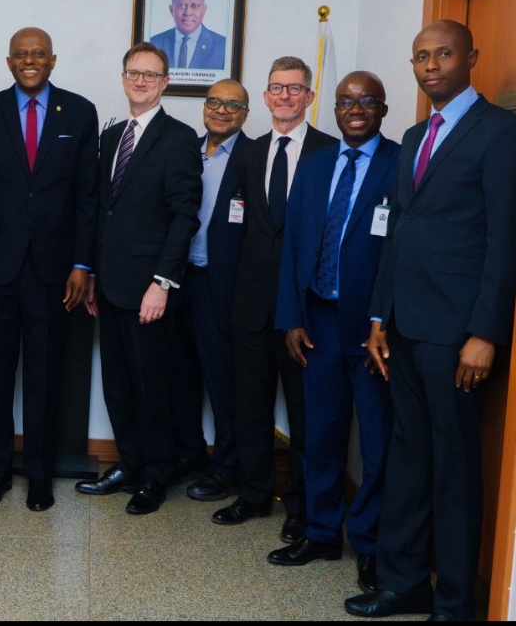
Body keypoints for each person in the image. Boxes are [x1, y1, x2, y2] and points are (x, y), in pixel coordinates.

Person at [346, 21, 516, 621]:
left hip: (456, 334)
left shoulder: (501, 132)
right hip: (403, 327)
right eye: (421, 57)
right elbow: (398, 229)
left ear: (471, 57)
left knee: (454, 468)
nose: (431, 65)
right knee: (408, 458)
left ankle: (455, 603)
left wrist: (485, 333)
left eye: (444, 54)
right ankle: (404, 583)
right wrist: (378, 316)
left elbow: (504, 241)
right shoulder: (416, 135)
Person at [0, 26, 98, 512]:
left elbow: (87, 197)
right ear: (9, 62)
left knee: (44, 375)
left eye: (39, 53)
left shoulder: (79, 112)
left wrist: (82, 263)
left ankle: (40, 475)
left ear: (53, 60)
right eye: (21, 54)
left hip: (55, 272)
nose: (30, 60)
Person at [270, 71, 398, 594]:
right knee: (320, 438)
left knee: (377, 444)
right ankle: (322, 533)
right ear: (335, 108)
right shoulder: (316, 163)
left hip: (373, 330)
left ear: (383, 108)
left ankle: (368, 544)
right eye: (346, 101)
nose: (355, 108)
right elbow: (293, 244)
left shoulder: (401, 164)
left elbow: (401, 251)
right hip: (318, 321)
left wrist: (384, 319)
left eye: (366, 101)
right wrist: (291, 317)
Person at [212, 56, 337, 542]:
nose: (284, 96)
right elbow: (235, 227)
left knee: (306, 413)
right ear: (265, 97)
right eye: (276, 88)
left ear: (309, 97)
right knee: (250, 404)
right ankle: (254, 494)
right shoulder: (249, 153)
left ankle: (302, 507)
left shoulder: (330, 151)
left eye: (294, 88)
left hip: (304, 311)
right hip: (251, 304)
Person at [75, 42, 201, 514]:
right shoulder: (111, 136)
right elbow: (101, 211)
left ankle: (156, 474)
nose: (141, 81)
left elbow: (184, 216)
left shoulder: (179, 138)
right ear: (124, 77)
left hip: (150, 288)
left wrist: (162, 282)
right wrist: (91, 273)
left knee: (153, 387)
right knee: (118, 383)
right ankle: (129, 463)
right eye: (134, 73)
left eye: (151, 74)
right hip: (109, 284)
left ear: (165, 82)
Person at [170, 79, 252, 502]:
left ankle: (227, 466)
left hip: (222, 283)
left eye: (232, 105)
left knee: (223, 381)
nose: (221, 110)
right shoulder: (185, 150)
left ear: (245, 114)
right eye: (215, 102)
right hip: (176, 279)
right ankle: (189, 454)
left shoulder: (253, 157)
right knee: (180, 376)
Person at [150, 0, 226, 70]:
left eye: (195, 6)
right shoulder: (154, 43)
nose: (188, 13)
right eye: (181, 6)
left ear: (204, 10)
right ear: (171, 10)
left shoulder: (223, 46)